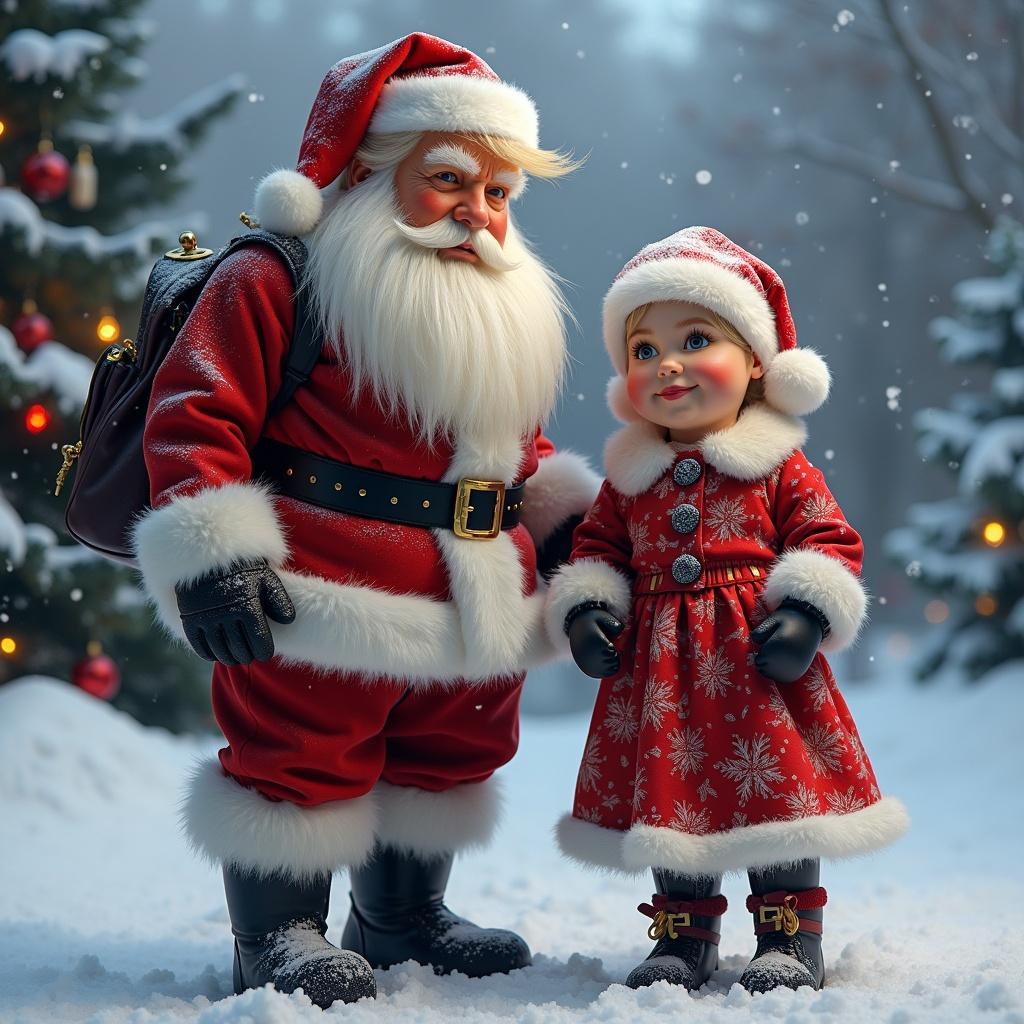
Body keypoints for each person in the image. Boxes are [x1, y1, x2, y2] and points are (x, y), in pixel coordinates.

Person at [130, 34, 599, 1009]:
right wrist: (210, 553)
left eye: (500, 192)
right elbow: (195, 416)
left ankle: (400, 913)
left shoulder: (497, 305)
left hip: (475, 584)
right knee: (298, 752)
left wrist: (565, 534)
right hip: (321, 579)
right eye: (445, 179)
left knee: (448, 751)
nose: (478, 209)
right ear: (371, 171)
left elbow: (520, 449)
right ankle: (275, 932)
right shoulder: (276, 278)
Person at [544, 227, 908, 994]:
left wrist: (806, 609)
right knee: (671, 797)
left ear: (753, 363)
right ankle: (682, 930)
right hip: (662, 674)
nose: (665, 363)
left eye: (696, 338)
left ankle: (788, 930)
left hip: (754, 661)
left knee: (775, 791)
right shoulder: (628, 478)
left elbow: (828, 537)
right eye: (643, 350)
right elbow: (598, 550)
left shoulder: (778, 465)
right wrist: (585, 610)